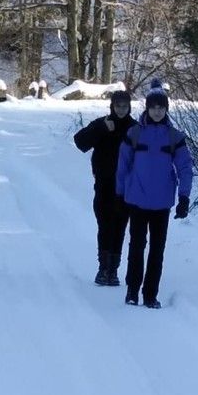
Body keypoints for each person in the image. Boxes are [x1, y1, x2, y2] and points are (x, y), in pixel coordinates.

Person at [116, 80, 192, 309]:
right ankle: (132, 291)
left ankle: (150, 294)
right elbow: (123, 165)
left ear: (166, 109)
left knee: (157, 251)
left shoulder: (174, 137)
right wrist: (120, 194)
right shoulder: (135, 134)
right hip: (137, 201)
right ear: (147, 109)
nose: (157, 111)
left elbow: (185, 168)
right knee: (136, 248)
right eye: (153, 107)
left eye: (161, 107)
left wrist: (184, 197)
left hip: (161, 204)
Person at [73, 88, 136, 285]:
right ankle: (103, 268)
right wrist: (100, 129)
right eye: (118, 106)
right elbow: (80, 142)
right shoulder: (102, 124)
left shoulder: (135, 128)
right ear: (112, 106)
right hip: (103, 185)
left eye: (125, 106)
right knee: (104, 225)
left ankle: (114, 270)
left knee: (119, 227)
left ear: (129, 107)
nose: (121, 110)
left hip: (125, 188)